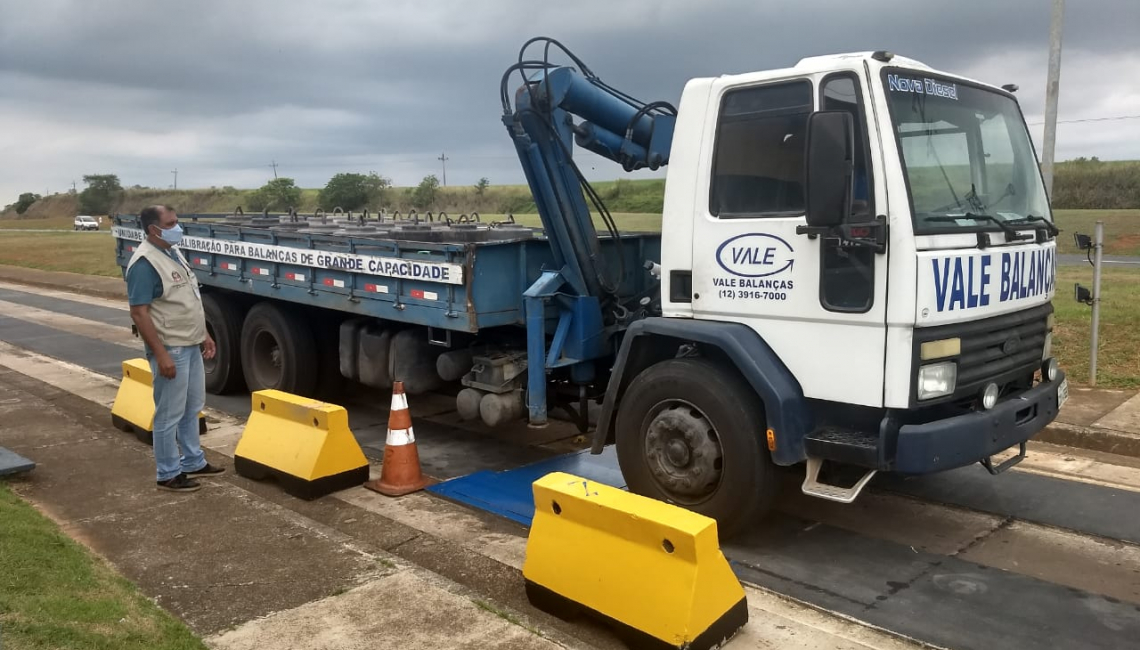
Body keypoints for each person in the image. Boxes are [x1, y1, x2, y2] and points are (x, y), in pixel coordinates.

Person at [125, 205, 224, 492]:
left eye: (176, 222)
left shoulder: (171, 252)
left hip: (190, 343)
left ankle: (193, 461)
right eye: (171, 223)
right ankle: (167, 473)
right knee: (168, 414)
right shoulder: (144, 263)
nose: (177, 227)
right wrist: (161, 354)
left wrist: (204, 334)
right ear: (153, 229)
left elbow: (188, 298)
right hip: (172, 348)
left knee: (192, 407)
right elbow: (139, 313)